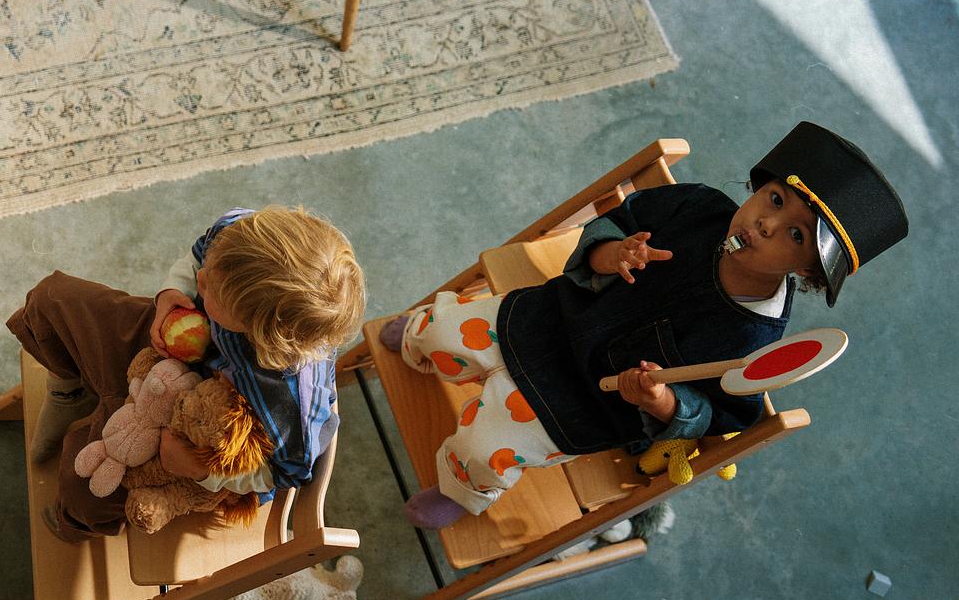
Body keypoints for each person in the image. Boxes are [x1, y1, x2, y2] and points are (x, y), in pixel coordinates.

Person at [382, 121, 909, 529]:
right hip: (549, 317)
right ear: (760, 186)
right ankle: (416, 342)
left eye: (794, 235)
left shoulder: (753, 339)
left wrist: (662, 404)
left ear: (807, 271)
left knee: (485, 449)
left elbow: (719, 415)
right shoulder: (699, 206)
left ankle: (459, 492)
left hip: (582, 401)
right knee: (444, 329)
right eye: (773, 200)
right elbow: (620, 220)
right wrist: (612, 254)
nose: (767, 223)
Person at [8, 206, 367, 541]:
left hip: (198, 426)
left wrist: (201, 471)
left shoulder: (288, 399)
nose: (201, 279)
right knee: (50, 299)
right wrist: (172, 293)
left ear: (257, 334)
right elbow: (199, 257)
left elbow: (288, 472)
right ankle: (70, 389)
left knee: (87, 483)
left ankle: (74, 525)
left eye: (211, 290)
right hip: (168, 353)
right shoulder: (241, 236)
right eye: (209, 272)